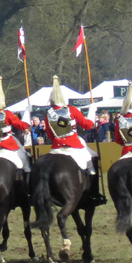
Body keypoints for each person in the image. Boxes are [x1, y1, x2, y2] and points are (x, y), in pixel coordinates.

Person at [44, 75, 104, 204]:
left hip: (56, 147)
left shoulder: (48, 114)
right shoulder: (71, 109)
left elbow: (50, 135)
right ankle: (93, 194)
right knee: (91, 163)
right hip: (74, 145)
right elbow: (87, 125)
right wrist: (91, 111)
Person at [0, 76, 31, 174]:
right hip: (8, 144)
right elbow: (22, 126)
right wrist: (27, 113)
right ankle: (26, 184)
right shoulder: (7, 114)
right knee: (25, 163)